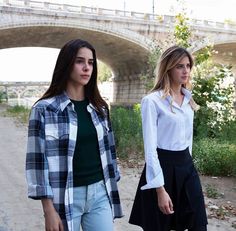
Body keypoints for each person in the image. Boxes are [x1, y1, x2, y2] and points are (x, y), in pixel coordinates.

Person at [26, 39, 123, 231]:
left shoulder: (100, 108)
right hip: (65, 195)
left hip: (99, 193)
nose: (87, 68)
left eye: (91, 62)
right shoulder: (44, 109)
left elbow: (110, 151)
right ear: (66, 64)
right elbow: (37, 163)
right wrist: (49, 211)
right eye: (80, 61)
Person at [129, 45, 207, 231]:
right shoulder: (152, 101)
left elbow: (188, 141)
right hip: (162, 168)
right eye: (180, 66)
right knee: (159, 226)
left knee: (199, 223)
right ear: (168, 68)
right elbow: (150, 149)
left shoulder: (188, 100)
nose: (185, 70)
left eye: (188, 65)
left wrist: (189, 168)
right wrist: (160, 189)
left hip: (187, 167)